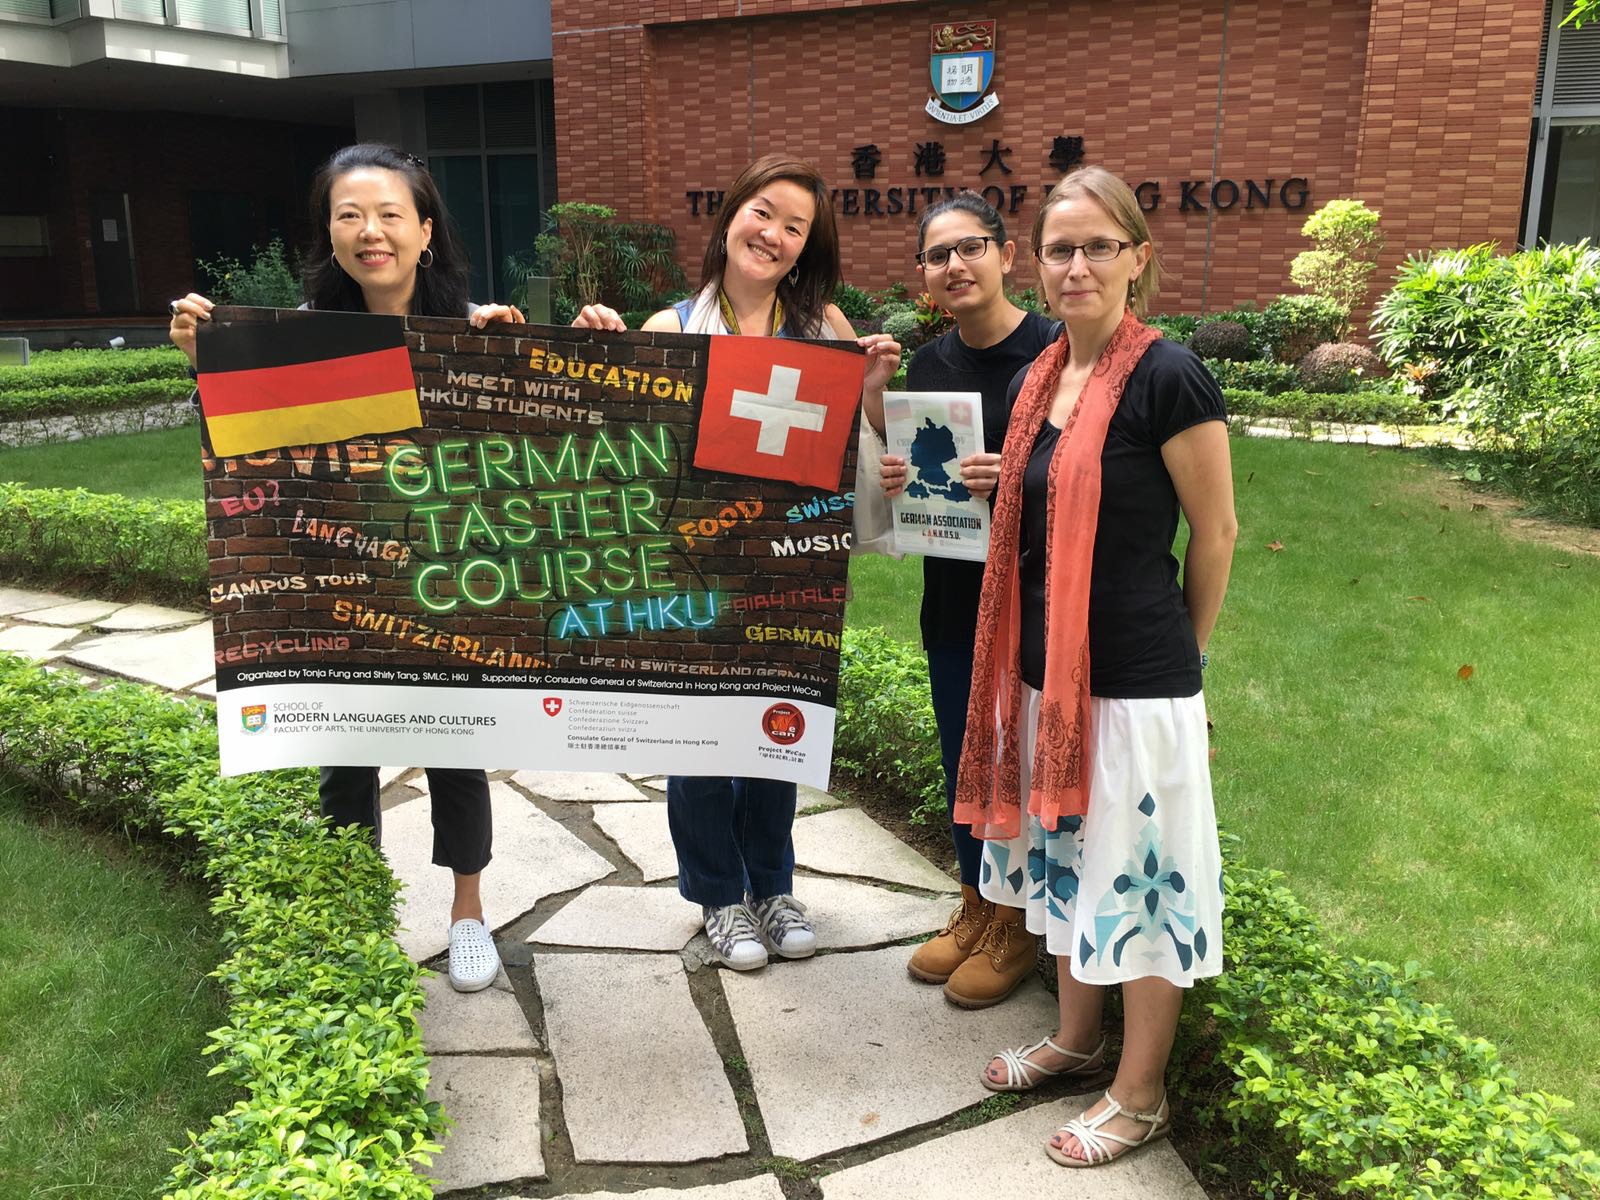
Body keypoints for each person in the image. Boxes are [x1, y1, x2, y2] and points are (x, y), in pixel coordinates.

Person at [168, 142, 525, 993]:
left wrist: (517, 359)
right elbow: (248, 453)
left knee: (456, 749)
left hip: (443, 576)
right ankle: (354, 917)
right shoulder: (293, 338)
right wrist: (208, 361)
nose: (371, 232)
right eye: (350, 215)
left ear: (425, 231)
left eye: (390, 214)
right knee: (344, 758)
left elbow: (526, 456)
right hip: (338, 578)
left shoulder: (472, 329)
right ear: (329, 232)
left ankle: (468, 915)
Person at [955, 166, 1236, 1166]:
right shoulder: (1039, 380)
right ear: (1036, 264)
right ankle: (1077, 1040)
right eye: (1059, 249)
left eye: (1097, 247)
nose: (1076, 266)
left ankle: (1140, 1092)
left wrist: (1187, 663)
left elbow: (1215, 534)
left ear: (1136, 259)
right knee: (1073, 866)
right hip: (1047, 680)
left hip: (1135, 684)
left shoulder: (1167, 376)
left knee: (1143, 887)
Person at [573, 154, 901, 971]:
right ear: (730, 218)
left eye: (795, 227)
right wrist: (594, 364)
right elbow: (618, 460)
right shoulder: (670, 329)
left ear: (806, 248)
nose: (774, 235)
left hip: (786, 571)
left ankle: (773, 887)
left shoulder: (823, 331)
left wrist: (871, 392)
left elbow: (855, 461)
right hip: (693, 571)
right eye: (764, 213)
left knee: (773, 733)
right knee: (699, 740)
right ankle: (720, 896)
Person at [865, 192, 1059, 1010]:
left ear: (1007, 255)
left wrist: (1012, 476)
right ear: (923, 274)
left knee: (1021, 758)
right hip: (953, 597)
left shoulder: (1055, 350)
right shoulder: (930, 366)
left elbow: (1085, 478)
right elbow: (921, 471)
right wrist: (899, 468)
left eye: (971, 247)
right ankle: (977, 903)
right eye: (938, 254)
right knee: (963, 756)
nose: (956, 265)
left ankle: (1017, 923)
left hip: (1033, 601)